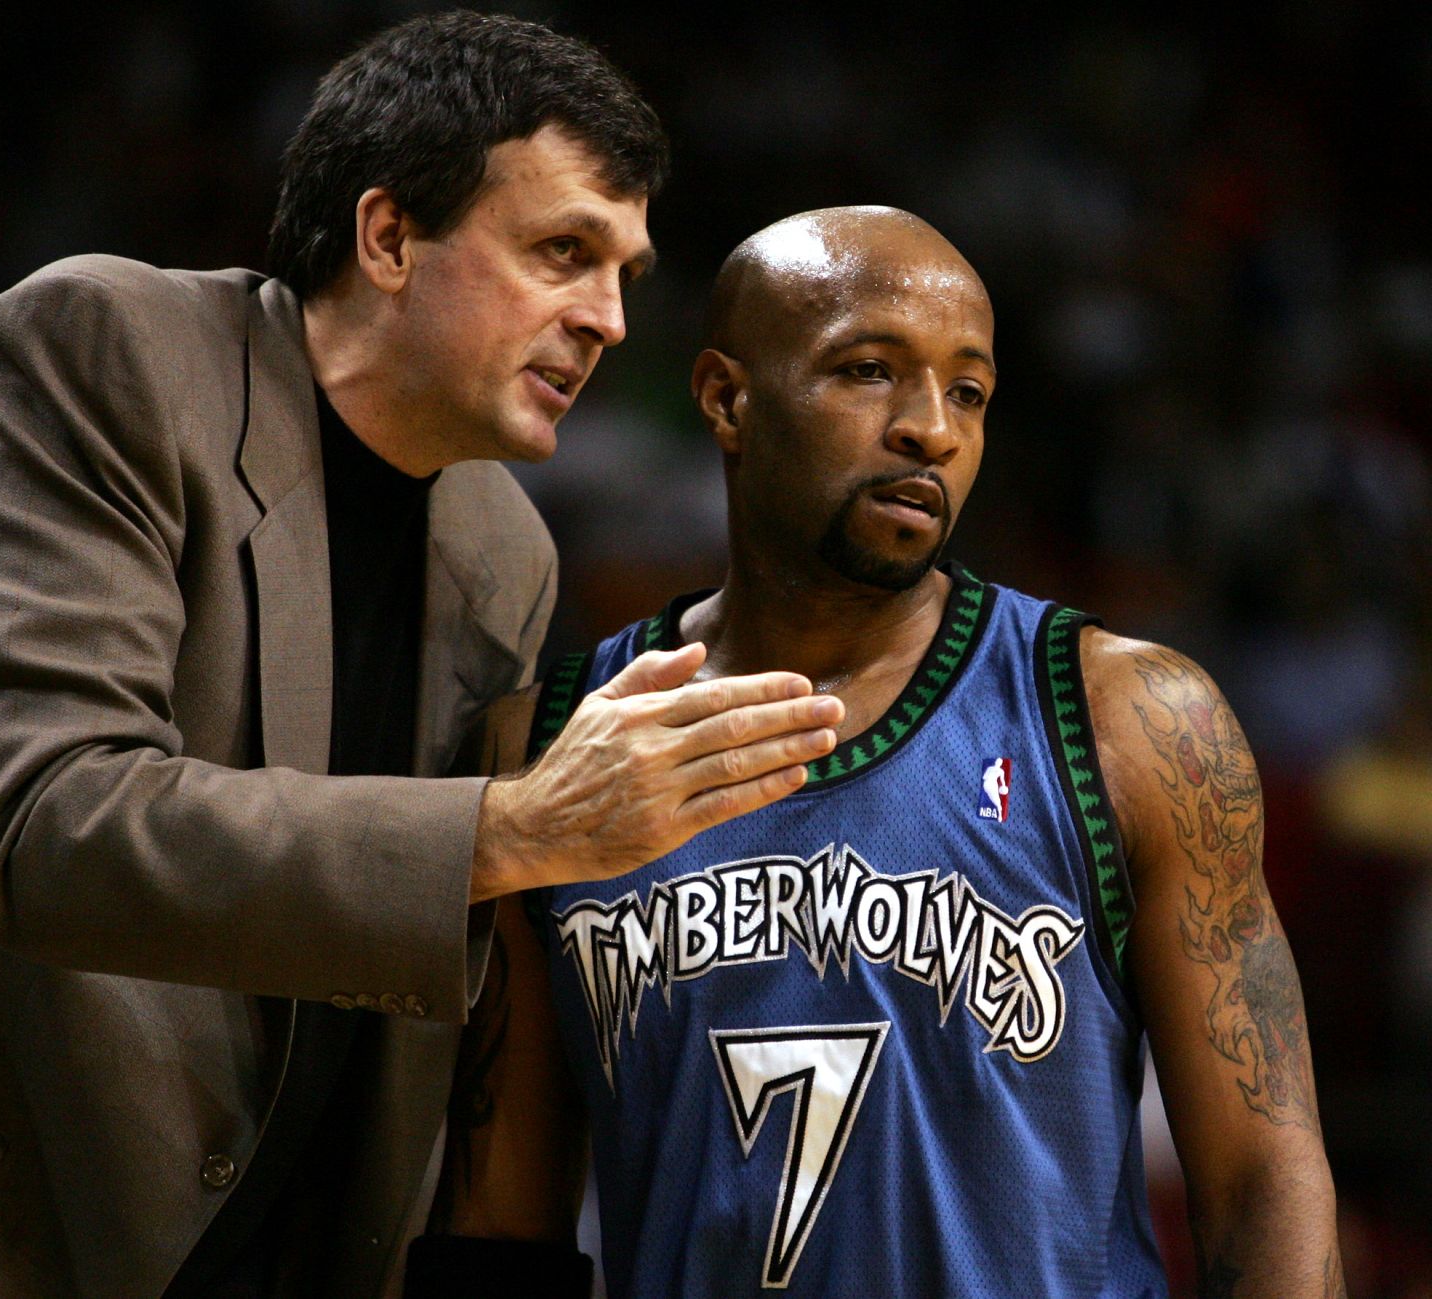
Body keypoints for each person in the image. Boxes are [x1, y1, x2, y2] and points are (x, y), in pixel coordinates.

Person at [0, 14, 846, 1298]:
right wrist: (515, 827)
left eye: (625, 275)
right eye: (562, 253)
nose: (607, 321)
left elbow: (397, 980)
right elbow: (50, 825)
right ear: (388, 238)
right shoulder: (102, 351)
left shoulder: (505, 549)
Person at [432, 207, 1346, 1298]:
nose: (931, 429)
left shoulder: (1129, 717)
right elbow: (500, 1220)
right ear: (726, 397)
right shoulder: (555, 739)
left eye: (967, 390)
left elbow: (1262, 1180)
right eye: (868, 371)